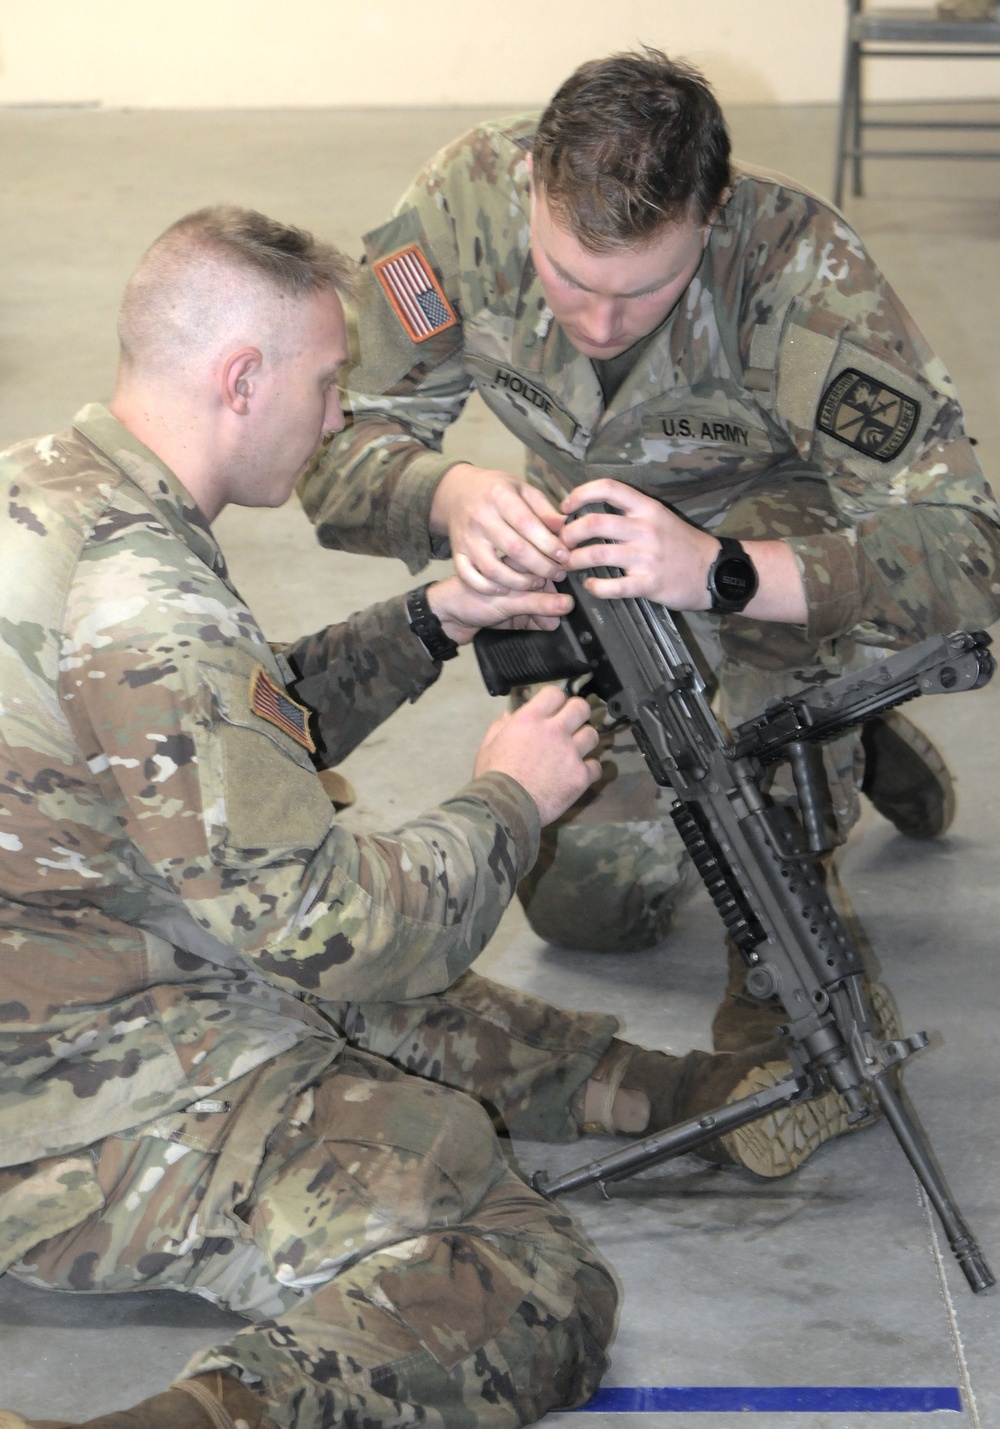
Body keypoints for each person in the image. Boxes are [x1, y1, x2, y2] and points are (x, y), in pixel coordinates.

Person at [0, 206, 852, 1429]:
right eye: (329, 379)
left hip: (64, 980)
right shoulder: (151, 602)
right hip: (79, 1113)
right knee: (520, 1277)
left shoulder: (51, 494)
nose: (341, 413)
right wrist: (513, 793)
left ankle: (680, 1096)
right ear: (242, 379)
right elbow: (340, 929)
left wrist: (435, 619)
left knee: (409, 1021)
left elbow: (209, 746)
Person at [298, 48, 1000, 1042]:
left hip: (766, 546)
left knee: (762, 736)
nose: (596, 321)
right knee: (589, 908)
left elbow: (967, 549)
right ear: (533, 189)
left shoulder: (798, 267)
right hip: (592, 566)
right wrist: (448, 494)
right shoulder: (463, 207)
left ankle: (818, 717)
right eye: (566, 279)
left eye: (641, 292)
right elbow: (332, 445)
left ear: (708, 220)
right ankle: (858, 721)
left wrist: (723, 570)